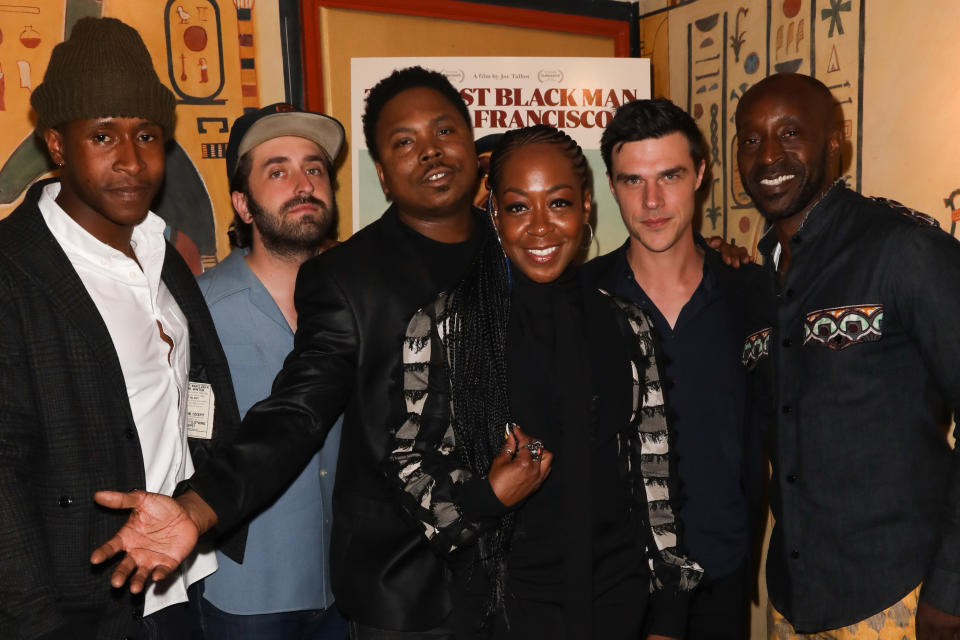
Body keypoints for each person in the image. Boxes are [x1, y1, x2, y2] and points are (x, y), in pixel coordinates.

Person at [89, 67, 550, 639]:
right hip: (406, 594)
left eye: (444, 132)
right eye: (405, 142)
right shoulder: (345, 277)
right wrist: (199, 508)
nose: (430, 152)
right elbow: (295, 414)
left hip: (534, 576)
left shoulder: (526, 252)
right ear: (382, 172)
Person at [387, 124, 703, 640]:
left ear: (585, 207)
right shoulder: (446, 326)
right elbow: (407, 470)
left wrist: (668, 611)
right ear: (494, 213)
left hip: (618, 605)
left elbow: (654, 475)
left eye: (557, 204)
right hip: (504, 611)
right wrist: (487, 496)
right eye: (517, 207)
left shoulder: (629, 325)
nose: (540, 227)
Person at [0, 17, 243, 639]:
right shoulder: (15, 270)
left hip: (183, 579)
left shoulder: (161, 251)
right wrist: (35, 625)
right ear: (57, 144)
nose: (132, 161)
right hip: (81, 607)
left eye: (148, 135)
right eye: (104, 135)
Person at [735, 72, 960, 639]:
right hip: (794, 605)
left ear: (836, 142)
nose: (768, 156)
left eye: (790, 133)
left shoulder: (905, 250)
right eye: (750, 139)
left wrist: (952, 590)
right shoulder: (755, 283)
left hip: (901, 598)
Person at [581, 98, 765, 640]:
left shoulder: (750, 294)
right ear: (611, 187)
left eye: (670, 176)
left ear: (701, 174)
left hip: (723, 571)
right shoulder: (582, 302)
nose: (652, 200)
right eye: (632, 181)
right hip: (617, 584)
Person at [194, 103, 349, 639]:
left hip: (349, 590)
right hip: (243, 596)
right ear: (243, 203)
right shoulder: (197, 313)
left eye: (315, 168)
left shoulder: (363, 302)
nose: (303, 184)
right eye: (277, 170)